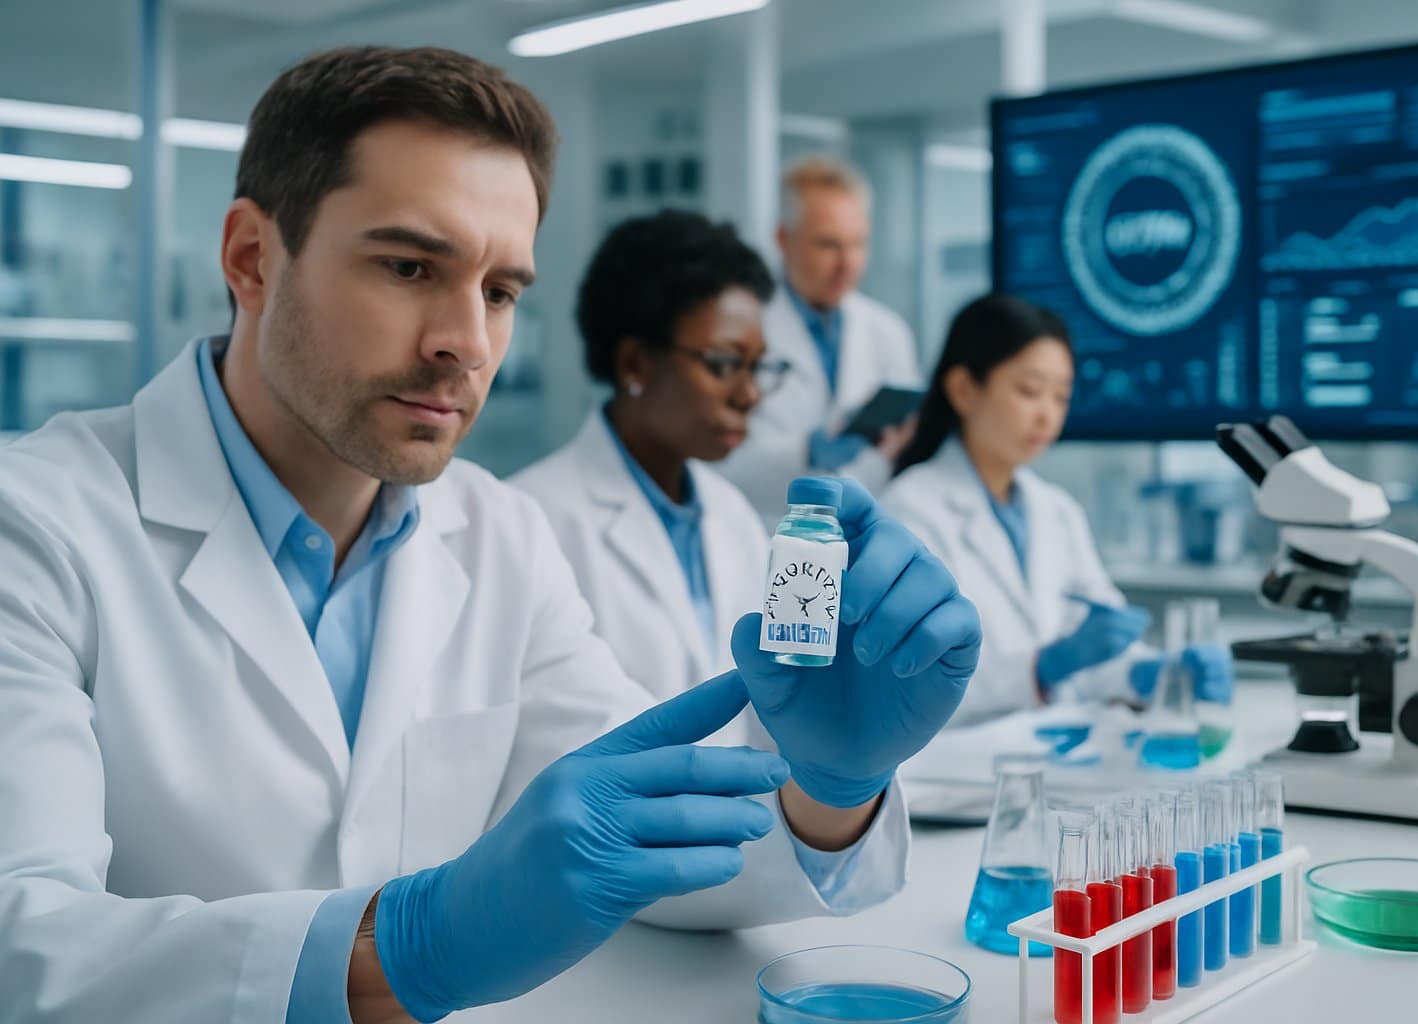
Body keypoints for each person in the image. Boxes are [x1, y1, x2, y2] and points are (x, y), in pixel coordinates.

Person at [0, 47, 982, 1024]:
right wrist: (409, 947)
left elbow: (645, 843)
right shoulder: (34, 525)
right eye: (408, 266)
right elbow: (23, 948)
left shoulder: (500, 534)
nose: (467, 343)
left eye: (501, 291)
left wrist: (830, 789)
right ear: (252, 257)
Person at [882, 293, 1229, 728]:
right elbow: (906, 676)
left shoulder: (1057, 511)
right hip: (955, 758)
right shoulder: (909, 511)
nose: (1047, 415)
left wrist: (1152, 674)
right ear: (964, 390)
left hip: (1051, 748)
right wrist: (1042, 667)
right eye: (1030, 391)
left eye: (1061, 397)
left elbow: (1098, 649)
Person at [512, 211, 786, 703]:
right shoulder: (534, 519)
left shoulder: (733, 516)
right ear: (635, 363)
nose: (749, 395)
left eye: (757, 366)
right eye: (724, 364)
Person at [721, 156, 923, 526]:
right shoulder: (740, 328)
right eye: (829, 245)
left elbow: (901, 451)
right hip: (766, 531)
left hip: (862, 531)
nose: (848, 264)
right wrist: (806, 453)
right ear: (783, 239)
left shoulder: (888, 332)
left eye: (858, 244)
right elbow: (719, 460)